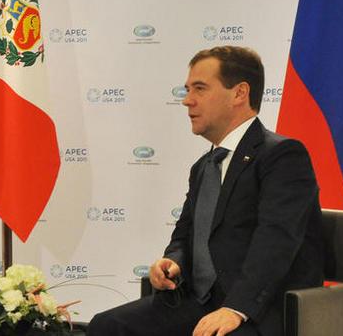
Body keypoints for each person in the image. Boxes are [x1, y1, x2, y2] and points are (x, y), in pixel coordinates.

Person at [87, 46, 323, 336]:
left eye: (199, 88)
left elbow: (275, 242)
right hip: (198, 301)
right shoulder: (204, 166)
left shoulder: (282, 156)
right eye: (187, 89)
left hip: (260, 308)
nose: (187, 101)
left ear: (239, 93)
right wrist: (173, 261)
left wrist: (236, 309)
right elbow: (185, 235)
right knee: (107, 326)